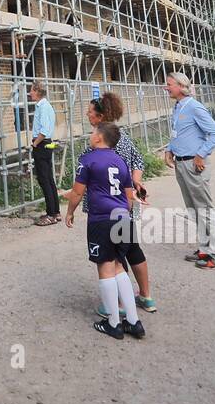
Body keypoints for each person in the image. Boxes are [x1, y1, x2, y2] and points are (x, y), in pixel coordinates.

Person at [64, 121, 145, 341]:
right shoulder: (120, 161)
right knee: (119, 266)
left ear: (99, 138)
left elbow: (78, 192)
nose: (90, 135)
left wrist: (70, 211)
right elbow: (129, 197)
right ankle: (133, 321)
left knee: (106, 267)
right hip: (123, 217)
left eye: (92, 132)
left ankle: (113, 323)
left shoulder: (88, 160)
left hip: (101, 219)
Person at [83, 92, 156, 313]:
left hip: (106, 209)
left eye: (90, 112)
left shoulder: (100, 142)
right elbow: (138, 160)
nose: (87, 115)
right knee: (132, 248)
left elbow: (89, 173)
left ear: (100, 116)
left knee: (114, 256)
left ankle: (120, 305)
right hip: (125, 204)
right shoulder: (121, 136)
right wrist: (135, 182)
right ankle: (146, 296)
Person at [162, 72, 215, 269]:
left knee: (205, 209)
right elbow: (179, 133)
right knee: (194, 208)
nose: (166, 88)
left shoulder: (194, 107)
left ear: (181, 86)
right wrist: (169, 149)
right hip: (182, 164)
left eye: (169, 84)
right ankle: (205, 249)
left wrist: (201, 154)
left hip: (193, 164)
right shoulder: (178, 107)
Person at [29, 82, 61, 226]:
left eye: (31, 90)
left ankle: (51, 214)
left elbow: (44, 129)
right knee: (49, 178)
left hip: (42, 144)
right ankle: (56, 212)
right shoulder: (45, 106)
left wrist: (35, 143)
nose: (30, 93)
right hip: (46, 143)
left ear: (37, 91)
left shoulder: (42, 107)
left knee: (44, 179)